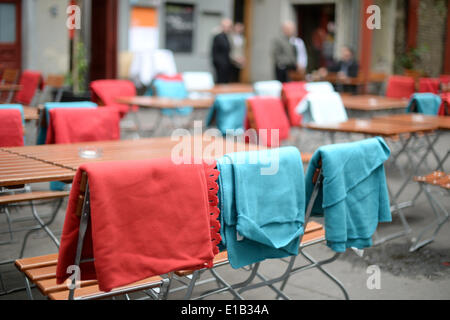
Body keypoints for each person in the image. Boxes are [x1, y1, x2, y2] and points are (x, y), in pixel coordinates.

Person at [212, 19, 233, 84]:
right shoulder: (219, 36)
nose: (228, 28)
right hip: (221, 64)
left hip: (225, 63)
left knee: (225, 80)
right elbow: (226, 47)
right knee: (221, 80)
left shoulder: (226, 36)